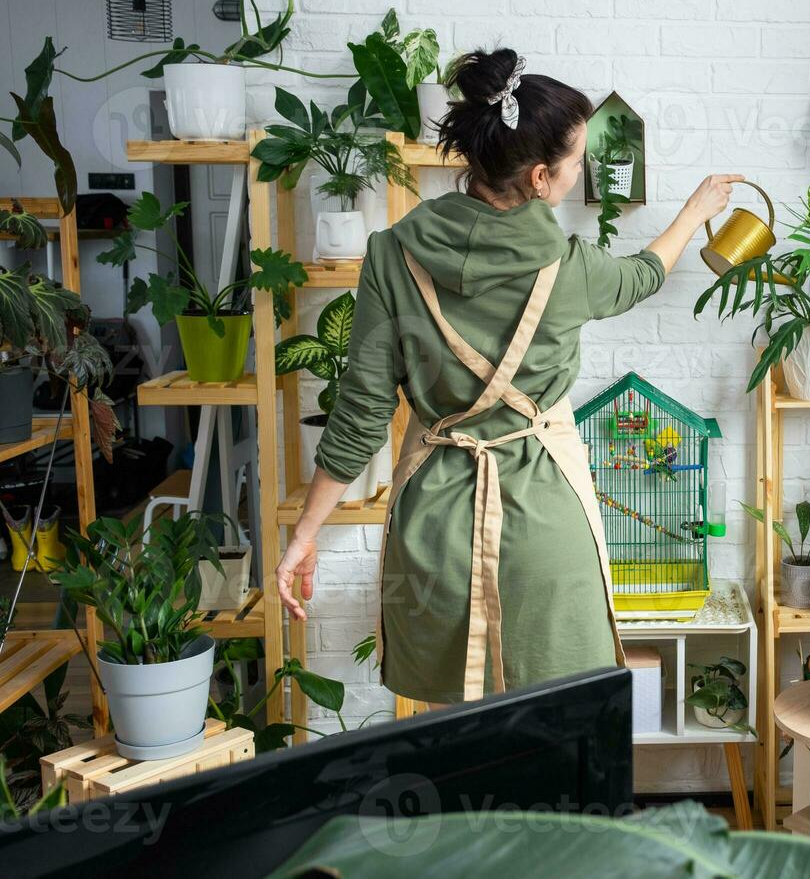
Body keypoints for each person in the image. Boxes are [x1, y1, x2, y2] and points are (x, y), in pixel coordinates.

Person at [275, 47, 741, 704]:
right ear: (543, 178)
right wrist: (695, 213)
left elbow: (360, 417)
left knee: (454, 744)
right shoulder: (570, 267)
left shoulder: (391, 255)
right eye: (577, 162)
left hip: (434, 540)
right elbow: (642, 276)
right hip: (546, 530)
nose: (579, 175)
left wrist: (304, 534)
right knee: (551, 732)